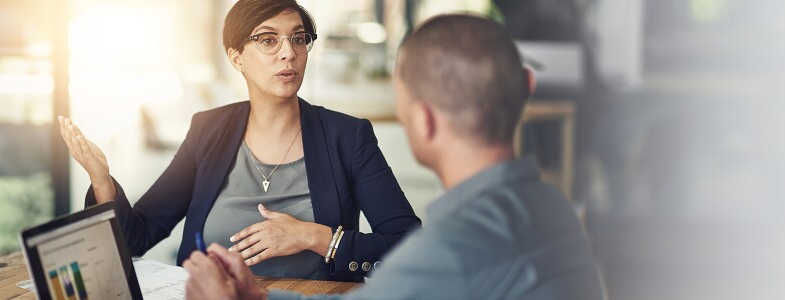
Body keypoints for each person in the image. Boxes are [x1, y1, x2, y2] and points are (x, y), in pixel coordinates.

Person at [183, 14, 605, 300]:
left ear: (422, 121)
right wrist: (261, 295)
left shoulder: (446, 254)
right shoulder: (555, 207)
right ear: (527, 86)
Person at [57, 0, 420, 282]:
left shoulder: (348, 136)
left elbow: (410, 245)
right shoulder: (208, 130)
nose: (287, 52)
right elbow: (139, 235)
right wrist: (102, 181)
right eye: (267, 40)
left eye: (298, 38)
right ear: (236, 58)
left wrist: (315, 237)